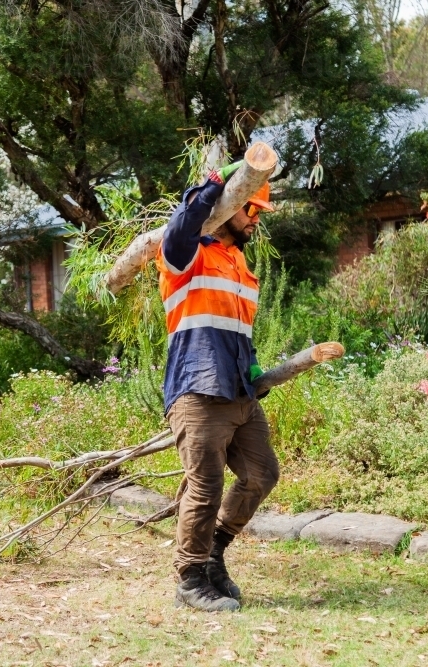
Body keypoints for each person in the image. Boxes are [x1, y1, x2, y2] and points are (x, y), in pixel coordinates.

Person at [157, 162, 279, 612]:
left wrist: (253, 367)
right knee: (204, 484)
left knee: (262, 474)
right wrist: (210, 186)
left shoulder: (240, 264)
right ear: (229, 205)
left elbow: (235, 330)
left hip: (239, 393)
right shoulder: (188, 256)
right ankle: (190, 579)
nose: (255, 218)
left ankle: (214, 553)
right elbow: (180, 228)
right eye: (250, 207)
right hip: (198, 388)